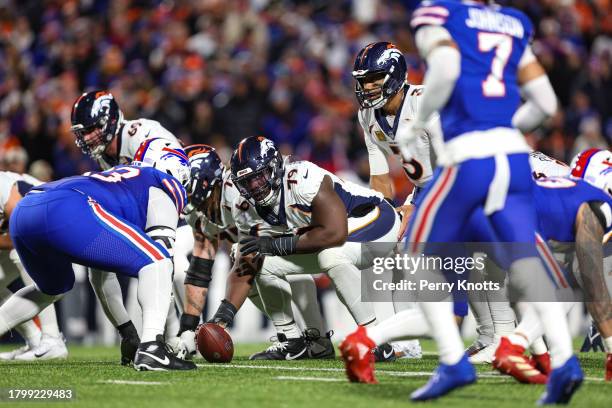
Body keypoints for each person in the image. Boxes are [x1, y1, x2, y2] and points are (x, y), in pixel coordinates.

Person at [395, 0, 579, 402]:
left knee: (412, 253)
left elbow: (443, 66)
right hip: (513, 155)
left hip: (469, 157)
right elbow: (546, 104)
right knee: (525, 258)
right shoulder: (513, 22)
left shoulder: (442, 13)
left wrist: (419, 125)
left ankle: (451, 361)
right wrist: (502, 130)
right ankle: (565, 360)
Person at [0, 141, 195, 371]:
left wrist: (127, 332)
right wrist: (169, 336)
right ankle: (152, 349)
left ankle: (147, 345)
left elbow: (100, 275)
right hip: (67, 208)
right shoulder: (162, 182)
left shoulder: (122, 179)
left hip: (26, 210)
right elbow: (162, 259)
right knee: (158, 259)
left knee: (50, 289)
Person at [207, 136, 400, 361]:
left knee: (331, 255)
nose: (255, 186)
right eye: (247, 181)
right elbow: (247, 262)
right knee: (261, 261)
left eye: (259, 177)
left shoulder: (303, 179)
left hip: (376, 221)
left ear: (275, 167)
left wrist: (275, 244)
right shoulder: (243, 205)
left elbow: (333, 233)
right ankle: (295, 340)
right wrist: (221, 318)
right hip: (334, 238)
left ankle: (376, 339)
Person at [173, 144, 333, 361]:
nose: (187, 197)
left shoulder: (241, 193)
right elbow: (200, 270)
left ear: (206, 182)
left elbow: (252, 258)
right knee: (248, 265)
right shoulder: (200, 212)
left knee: (271, 263)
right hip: (263, 245)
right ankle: (294, 336)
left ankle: (314, 338)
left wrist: (221, 319)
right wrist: (188, 329)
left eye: (189, 189)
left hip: (302, 232)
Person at [70, 90, 191, 364]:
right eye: (83, 132)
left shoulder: (142, 133)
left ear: (110, 120)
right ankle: (130, 334)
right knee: (97, 269)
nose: (87, 138)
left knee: (175, 268)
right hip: (138, 217)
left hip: (179, 213)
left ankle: (186, 331)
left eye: (91, 129)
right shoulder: (105, 155)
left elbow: (174, 172)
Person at [0, 170, 67, 361]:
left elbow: (23, 230)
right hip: (34, 233)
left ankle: (52, 338)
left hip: (58, 221)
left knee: (20, 250)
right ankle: (36, 341)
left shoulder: (2, 185)